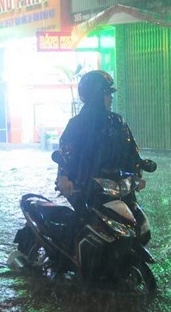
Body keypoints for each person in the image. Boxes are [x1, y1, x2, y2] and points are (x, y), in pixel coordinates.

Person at [55, 70, 144, 211]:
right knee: (82, 223)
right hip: (87, 189)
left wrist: (137, 169)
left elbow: (130, 149)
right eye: (107, 94)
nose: (111, 97)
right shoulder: (77, 124)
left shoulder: (117, 121)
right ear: (95, 96)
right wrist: (64, 177)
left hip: (119, 186)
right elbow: (66, 151)